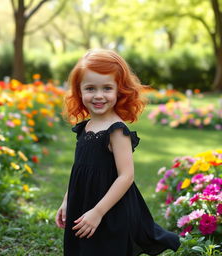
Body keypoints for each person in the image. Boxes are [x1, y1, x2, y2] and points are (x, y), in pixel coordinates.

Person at [55, 49, 180, 256]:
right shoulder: (85, 127)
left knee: (105, 248)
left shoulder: (117, 130)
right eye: (90, 88)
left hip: (109, 208)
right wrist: (67, 200)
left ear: (119, 90)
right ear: (79, 91)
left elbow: (126, 175)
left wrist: (98, 212)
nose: (98, 95)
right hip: (83, 201)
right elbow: (79, 169)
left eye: (107, 88)